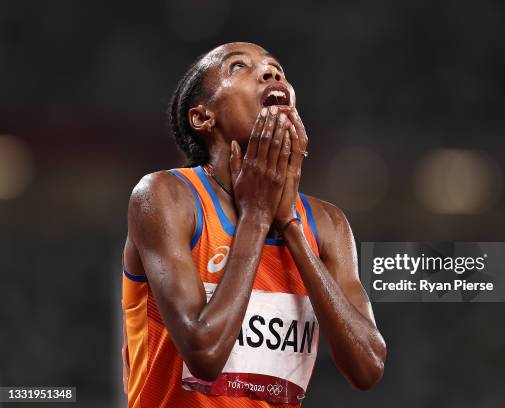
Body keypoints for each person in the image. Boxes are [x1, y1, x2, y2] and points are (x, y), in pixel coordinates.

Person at [121, 42, 386, 407]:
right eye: (238, 67)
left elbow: (368, 367)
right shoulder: (167, 197)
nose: (271, 73)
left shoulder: (327, 224)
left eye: (277, 68)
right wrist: (257, 217)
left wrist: (289, 224)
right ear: (202, 117)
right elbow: (205, 355)